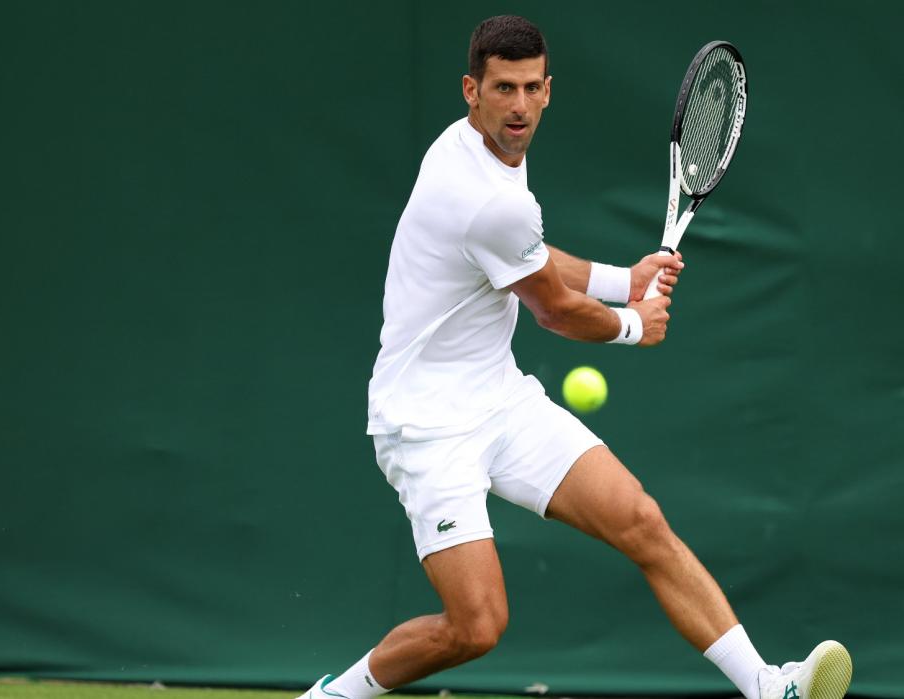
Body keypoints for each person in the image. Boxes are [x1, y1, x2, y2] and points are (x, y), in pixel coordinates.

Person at [296, 15, 851, 699]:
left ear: (550, 90)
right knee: (476, 626)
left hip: (499, 399)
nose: (519, 105)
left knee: (641, 520)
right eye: (503, 89)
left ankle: (768, 686)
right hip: (427, 424)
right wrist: (631, 324)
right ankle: (333, 696)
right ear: (471, 90)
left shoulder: (489, 165)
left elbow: (530, 260)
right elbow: (552, 306)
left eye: (532, 87)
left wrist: (626, 279)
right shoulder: (482, 195)